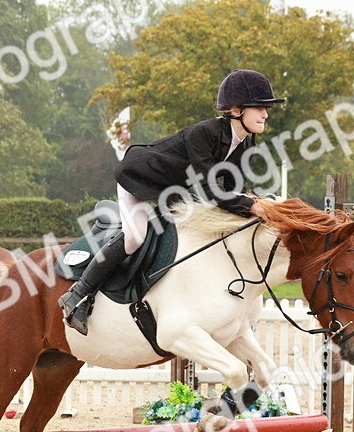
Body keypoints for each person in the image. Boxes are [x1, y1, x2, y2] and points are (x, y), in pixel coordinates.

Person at [59, 69, 286, 334]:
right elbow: (210, 191)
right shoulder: (204, 133)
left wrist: (256, 204)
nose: (265, 114)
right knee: (135, 237)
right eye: (259, 108)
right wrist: (253, 205)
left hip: (175, 191)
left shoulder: (244, 143)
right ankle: (78, 294)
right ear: (236, 110)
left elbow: (234, 190)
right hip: (139, 178)